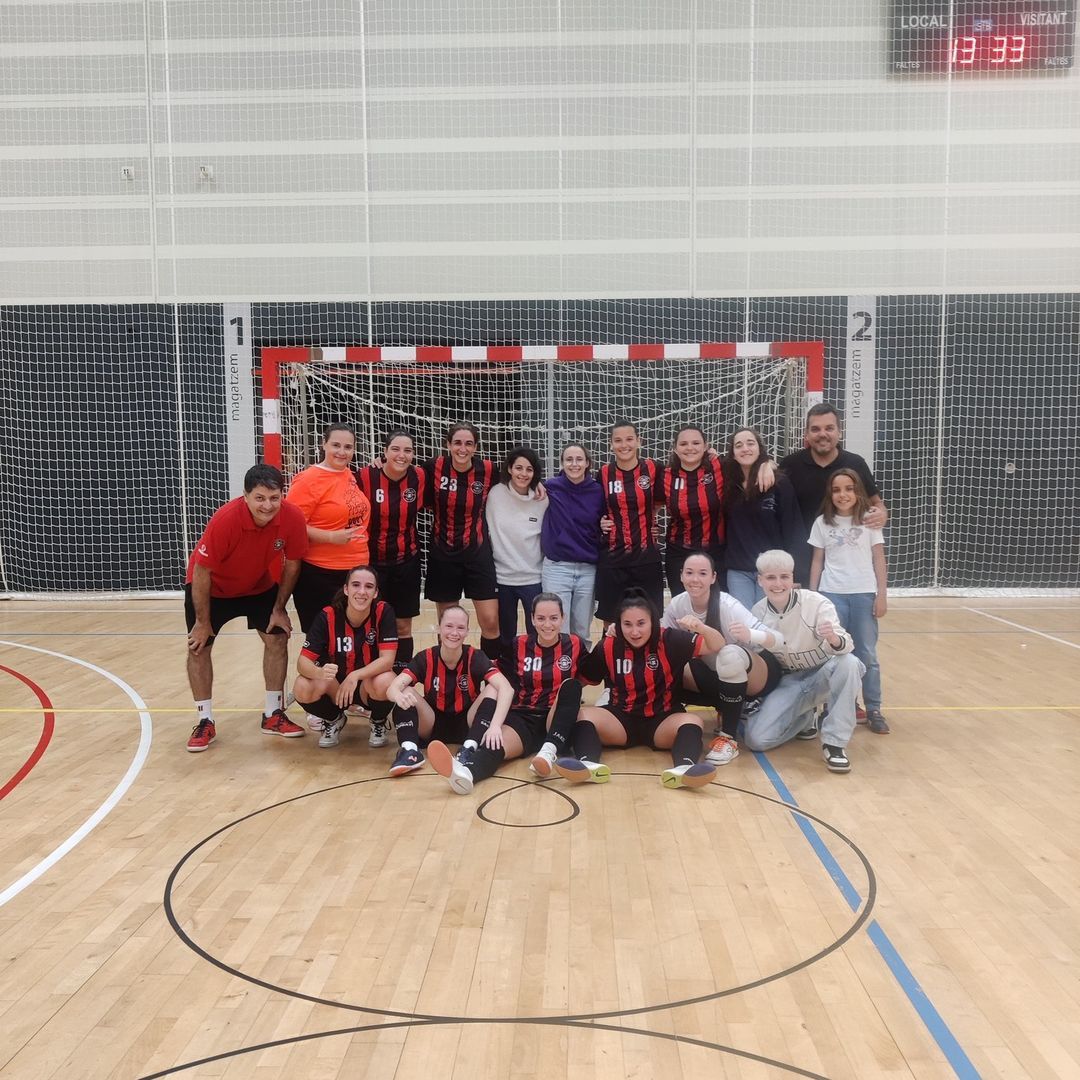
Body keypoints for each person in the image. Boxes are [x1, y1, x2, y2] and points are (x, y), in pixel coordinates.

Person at [184, 464, 309, 752]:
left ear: (282, 495)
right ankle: (205, 721)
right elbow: (202, 571)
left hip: (256, 586)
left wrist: (279, 607)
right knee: (198, 647)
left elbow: (292, 564)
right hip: (211, 588)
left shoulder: (291, 517)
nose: (268, 505)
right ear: (246, 496)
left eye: (274, 498)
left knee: (277, 637)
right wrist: (203, 622)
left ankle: (273, 714)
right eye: (260, 498)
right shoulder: (226, 519)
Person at [555, 589, 727, 789]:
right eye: (627, 624)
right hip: (620, 719)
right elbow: (583, 679)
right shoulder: (609, 645)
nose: (634, 632)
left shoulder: (670, 640)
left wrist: (701, 627)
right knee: (584, 715)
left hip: (663, 719)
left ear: (653, 622)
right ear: (618, 625)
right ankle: (588, 764)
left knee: (692, 720)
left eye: (641, 623)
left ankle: (684, 768)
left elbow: (717, 644)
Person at [426, 594, 588, 794]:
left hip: (555, 718)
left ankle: (549, 751)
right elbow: (495, 675)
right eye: (541, 618)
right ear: (531, 619)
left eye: (554, 618)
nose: (547, 624)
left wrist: (614, 635)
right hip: (523, 718)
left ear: (563, 618)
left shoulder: (574, 644)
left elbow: (593, 672)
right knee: (495, 743)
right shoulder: (518, 644)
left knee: (572, 686)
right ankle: (466, 774)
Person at [744, 550, 864, 773]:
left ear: (792, 578)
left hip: (823, 675)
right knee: (756, 740)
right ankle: (805, 716)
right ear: (760, 580)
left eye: (784, 577)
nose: (778, 583)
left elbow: (846, 645)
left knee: (849, 663)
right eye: (771, 577)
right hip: (789, 681)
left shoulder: (817, 603)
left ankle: (834, 744)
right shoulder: (757, 612)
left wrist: (833, 638)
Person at [660, 551, 784, 766]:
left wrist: (751, 635)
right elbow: (657, 638)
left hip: (759, 673)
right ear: (681, 576)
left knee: (729, 653)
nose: (695, 579)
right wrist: (619, 630)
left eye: (702, 573)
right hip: (718, 675)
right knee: (668, 664)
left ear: (713, 577)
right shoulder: (678, 604)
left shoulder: (728, 605)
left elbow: (779, 640)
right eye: (689, 573)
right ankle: (722, 709)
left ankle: (728, 739)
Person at [383, 605, 514, 776]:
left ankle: (469, 749)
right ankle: (410, 751)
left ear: (467, 631)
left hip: (467, 725)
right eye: (449, 626)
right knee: (404, 690)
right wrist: (398, 696)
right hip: (432, 724)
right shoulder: (426, 657)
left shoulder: (476, 657)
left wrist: (496, 726)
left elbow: (507, 688)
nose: (454, 632)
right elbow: (392, 687)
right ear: (439, 628)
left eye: (460, 628)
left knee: (494, 688)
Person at [809, 469, 889, 734]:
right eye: (836, 490)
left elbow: (879, 559)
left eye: (848, 488)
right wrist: (813, 597)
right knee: (835, 653)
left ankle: (874, 707)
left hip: (863, 594)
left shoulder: (869, 521)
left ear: (857, 492)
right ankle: (835, 706)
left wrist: (882, 594)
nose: (842, 494)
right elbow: (817, 561)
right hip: (832, 594)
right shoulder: (822, 522)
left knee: (867, 653)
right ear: (830, 494)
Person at [291, 565, 399, 748]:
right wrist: (319, 672)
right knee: (302, 686)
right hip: (337, 689)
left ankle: (378, 721)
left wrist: (355, 675)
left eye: (369, 586)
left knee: (387, 680)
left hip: (367, 685)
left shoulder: (383, 611)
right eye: (356, 585)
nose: (362, 592)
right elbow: (302, 663)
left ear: (375, 592)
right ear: (346, 589)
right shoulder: (327, 616)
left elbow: (388, 660)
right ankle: (333, 719)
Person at [422, 422, 504, 659]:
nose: (462, 448)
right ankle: (447, 676)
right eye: (457, 443)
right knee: (449, 625)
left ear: (476, 447)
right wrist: (378, 463)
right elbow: (404, 474)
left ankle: (492, 676)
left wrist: (537, 486)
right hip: (442, 555)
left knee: (490, 620)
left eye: (468, 443)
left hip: (478, 554)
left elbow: (519, 480)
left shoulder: (489, 470)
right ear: (448, 444)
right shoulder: (434, 467)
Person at [780, 403, 888, 582]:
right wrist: (766, 465)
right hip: (802, 560)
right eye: (815, 429)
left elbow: (877, 503)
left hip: (844, 562)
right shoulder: (790, 465)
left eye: (829, 428)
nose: (822, 434)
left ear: (840, 432)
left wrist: (881, 513)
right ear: (806, 434)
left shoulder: (856, 463)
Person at [285, 423, 371, 633]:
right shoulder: (308, 479)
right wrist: (331, 537)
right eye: (336, 445)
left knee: (353, 641)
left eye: (348, 447)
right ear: (323, 445)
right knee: (324, 643)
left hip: (355, 572)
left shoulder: (348, 475)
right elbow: (291, 525)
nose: (342, 452)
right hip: (321, 574)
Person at [355, 429, 427, 671]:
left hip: (407, 561)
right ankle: (368, 683)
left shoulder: (419, 477)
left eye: (407, 450)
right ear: (384, 452)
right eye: (395, 449)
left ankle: (400, 681)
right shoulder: (365, 476)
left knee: (403, 625)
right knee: (369, 626)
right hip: (371, 564)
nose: (401, 455)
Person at [722, 427, 806, 610]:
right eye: (739, 445)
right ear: (733, 453)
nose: (745, 448)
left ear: (759, 448)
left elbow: (793, 528)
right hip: (739, 570)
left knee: (769, 627)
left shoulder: (779, 482)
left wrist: (795, 573)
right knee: (745, 628)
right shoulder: (726, 483)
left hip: (772, 570)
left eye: (750, 443)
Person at [596, 422, 664, 628]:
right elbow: (597, 507)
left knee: (649, 619)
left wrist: (654, 517)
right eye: (618, 440)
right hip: (613, 558)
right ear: (611, 444)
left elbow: (666, 496)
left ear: (638, 441)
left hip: (646, 558)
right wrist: (600, 521)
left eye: (629, 439)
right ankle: (610, 659)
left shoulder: (654, 468)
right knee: (611, 622)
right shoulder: (604, 473)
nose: (624, 445)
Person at [540, 442, 604, 647]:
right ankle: (559, 676)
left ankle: (578, 679)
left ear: (587, 463)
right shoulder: (550, 487)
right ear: (562, 463)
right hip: (557, 568)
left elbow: (608, 518)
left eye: (579, 459)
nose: (574, 464)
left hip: (588, 569)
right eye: (569, 459)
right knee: (558, 629)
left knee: (582, 631)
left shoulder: (598, 491)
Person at [485, 446, 548, 654]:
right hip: (502, 579)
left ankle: (534, 677)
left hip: (533, 578)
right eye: (518, 468)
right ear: (510, 469)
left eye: (529, 469)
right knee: (505, 636)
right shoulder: (495, 494)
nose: (523, 473)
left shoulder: (542, 499)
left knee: (536, 633)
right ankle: (506, 679)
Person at [661, 425, 726, 597]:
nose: (690, 448)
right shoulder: (665, 475)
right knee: (683, 610)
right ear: (675, 448)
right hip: (678, 552)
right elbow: (645, 503)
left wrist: (767, 463)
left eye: (696, 443)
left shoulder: (720, 466)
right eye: (683, 444)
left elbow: (750, 464)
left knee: (716, 609)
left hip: (715, 551)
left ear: (706, 446)